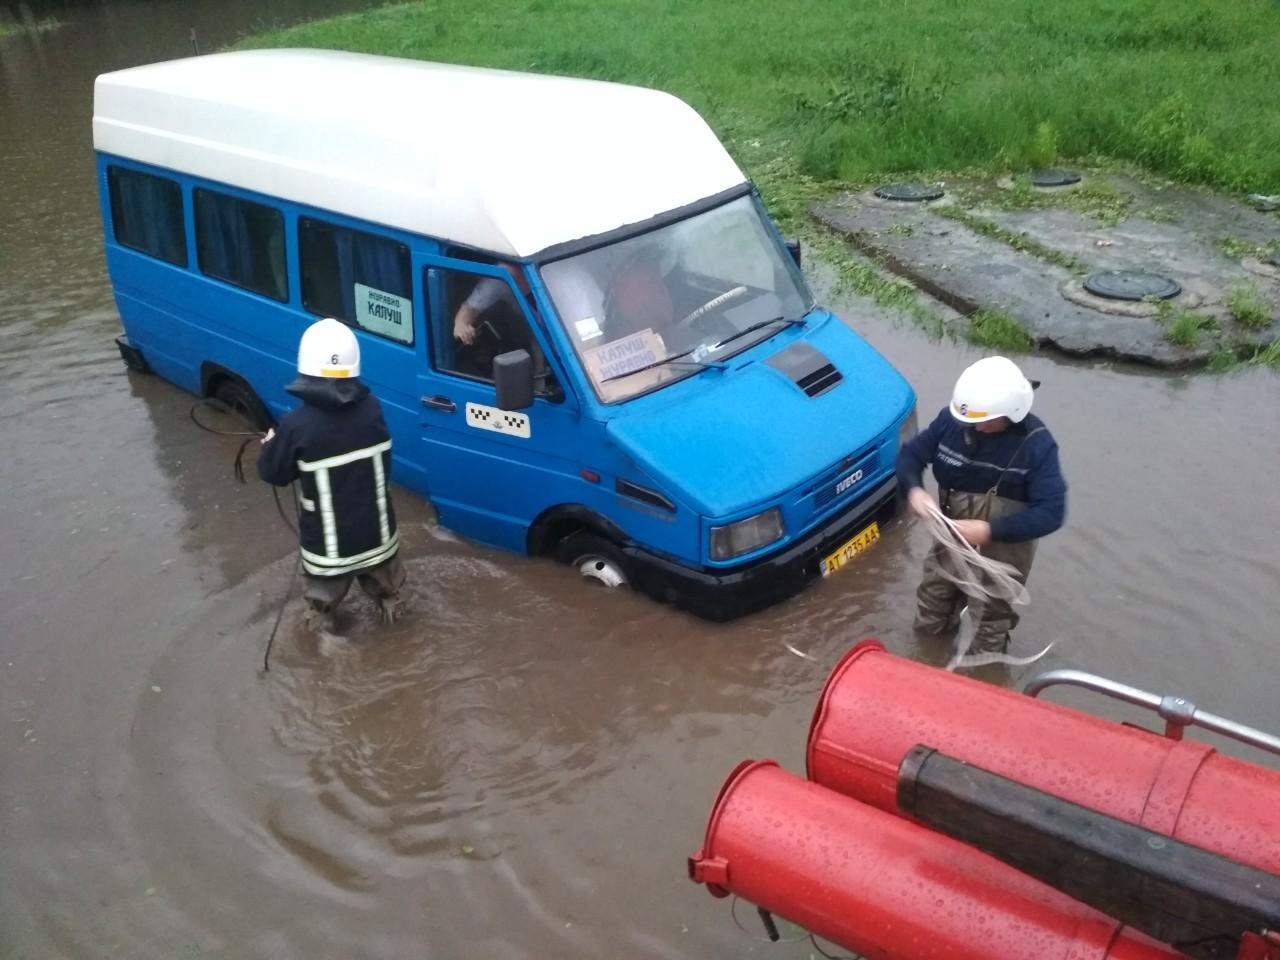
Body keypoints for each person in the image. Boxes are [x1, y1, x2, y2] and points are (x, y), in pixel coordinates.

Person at [897, 356, 1067, 653]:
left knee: (991, 619)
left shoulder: (1037, 445)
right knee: (933, 598)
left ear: (1012, 412)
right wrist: (914, 491)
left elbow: (1051, 513)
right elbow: (910, 456)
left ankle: (984, 676)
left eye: (983, 421)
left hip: (1003, 547)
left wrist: (989, 530)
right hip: (951, 536)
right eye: (969, 420)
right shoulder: (951, 422)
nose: (974, 427)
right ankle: (927, 660)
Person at [257, 318, 405, 632]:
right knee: (389, 595)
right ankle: (394, 621)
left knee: (321, 612)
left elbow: (272, 473)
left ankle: (327, 652)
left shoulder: (297, 425)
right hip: (378, 539)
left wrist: (271, 445)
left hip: (329, 553)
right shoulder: (373, 409)